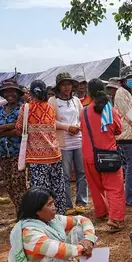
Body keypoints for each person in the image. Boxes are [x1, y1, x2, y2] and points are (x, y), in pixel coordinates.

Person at [80, 78, 127, 232]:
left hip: (89, 156)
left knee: (95, 187)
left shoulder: (84, 112)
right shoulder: (111, 111)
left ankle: (101, 212)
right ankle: (115, 219)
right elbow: (118, 130)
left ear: (89, 94)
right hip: (108, 156)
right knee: (114, 189)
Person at [16, 80, 67, 214]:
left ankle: (45, 218)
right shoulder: (50, 108)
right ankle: (60, 216)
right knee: (58, 189)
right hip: (55, 154)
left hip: (37, 158)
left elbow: (19, 129)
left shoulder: (25, 108)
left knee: (41, 193)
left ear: (31, 92)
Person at [50, 72, 87, 215]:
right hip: (63, 142)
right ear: (58, 87)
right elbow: (50, 121)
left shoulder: (76, 101)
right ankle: (67, 204)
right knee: (64, 175)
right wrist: (67, 127)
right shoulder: (52, 101)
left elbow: (81, 117)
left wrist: (76, 126)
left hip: (78, 140)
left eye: (69, 84)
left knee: (81, 173)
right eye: (63, 84)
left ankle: (81, 202)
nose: (67, 87)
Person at [0, 79, 28, 210]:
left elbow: (21, 130)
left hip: (18, 152)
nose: (9, 94)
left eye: (12, 91)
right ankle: (20, 210)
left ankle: (26, 210)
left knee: (18, 181)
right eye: (6, 92)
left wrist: (2, 130)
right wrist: (10, 127)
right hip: (3, 153)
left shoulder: (23, 108)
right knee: (9, 184)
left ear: (18, 93)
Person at [114, 66, 132, 207]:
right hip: (127, 135)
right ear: (124, 80)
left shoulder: (130, 92)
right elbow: (128, 114)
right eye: (131, 78)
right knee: (131, 166)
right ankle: (131, 197)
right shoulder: (121, 93)